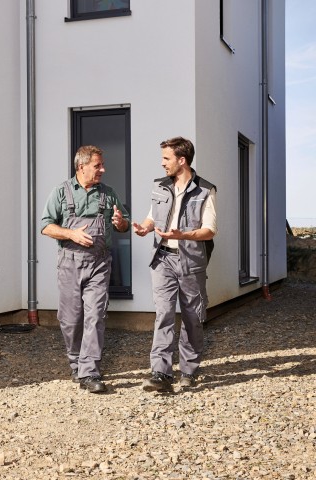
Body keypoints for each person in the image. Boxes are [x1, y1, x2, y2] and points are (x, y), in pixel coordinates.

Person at [41, 145, 130, 393]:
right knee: (70, 319)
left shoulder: (108, 194)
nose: (102, 169)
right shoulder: (61, 192)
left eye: (102, 165)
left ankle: (90, 371)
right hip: (69, 261)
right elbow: (46, 226)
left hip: (100, 263)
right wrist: (71, 234)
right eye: (97, 165)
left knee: (96, 316)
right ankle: (76, 362)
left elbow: (124, 226)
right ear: (81, 167)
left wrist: (121, 222)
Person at [132, 136, 217, 392]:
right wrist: (144, 228)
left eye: (166, 158)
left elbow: (210, 230)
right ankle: (161, 373)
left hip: (190, 261)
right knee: (163, 315)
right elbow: (151, 216)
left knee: (192, 317)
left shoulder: (205, 189)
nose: (162, 163)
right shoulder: (160, 186)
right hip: (163, 260)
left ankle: (189, 370)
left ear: (182, 160)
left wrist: (183, 235)